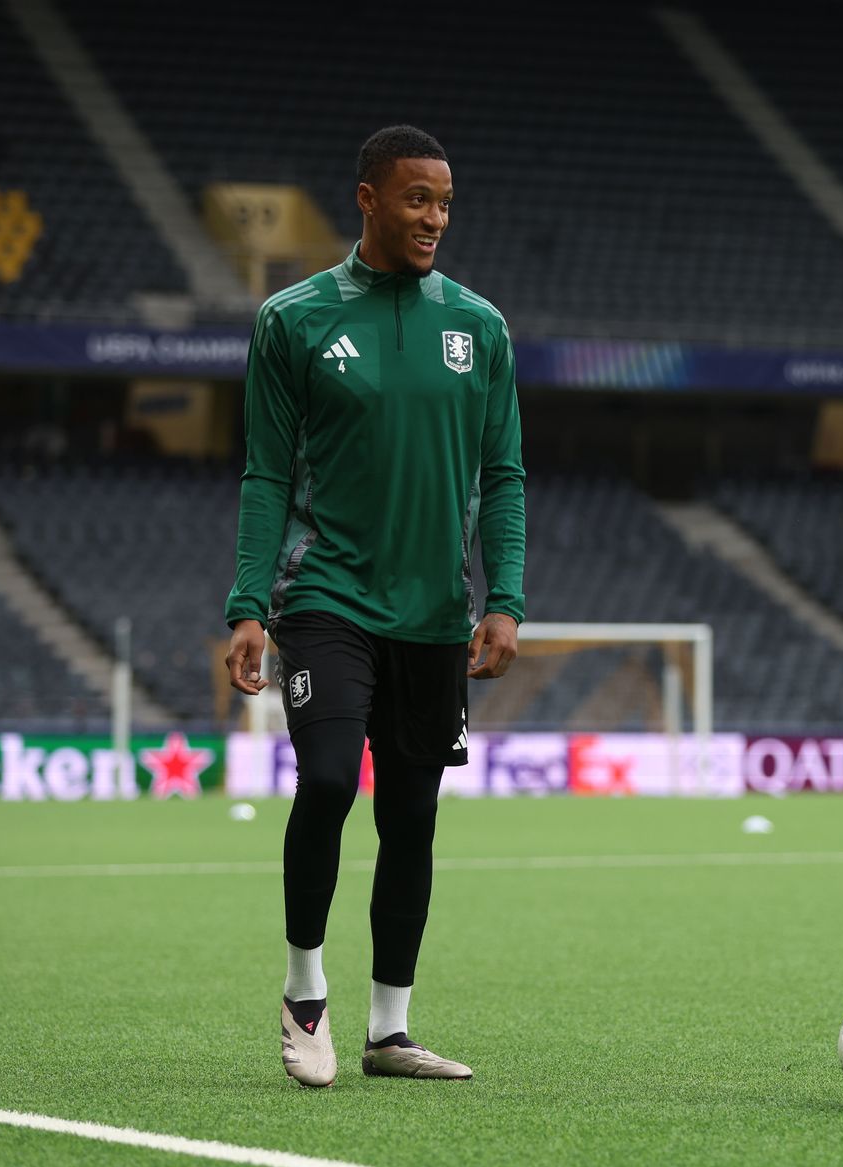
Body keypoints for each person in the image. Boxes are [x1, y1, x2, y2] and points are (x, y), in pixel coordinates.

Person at [224, 124, 526, 1087]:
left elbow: (504, 473)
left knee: (413, 818)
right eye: (415, 199)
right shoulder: (294, 319)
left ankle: (389, 1031)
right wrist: (247, 605)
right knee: (326, 782)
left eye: (444, 202)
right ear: (367, 198)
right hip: (326, 598)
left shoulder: (479, 327)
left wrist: (505, 596)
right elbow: (267, 474)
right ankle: (303, 992)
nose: (434, 217)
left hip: (435, 613)